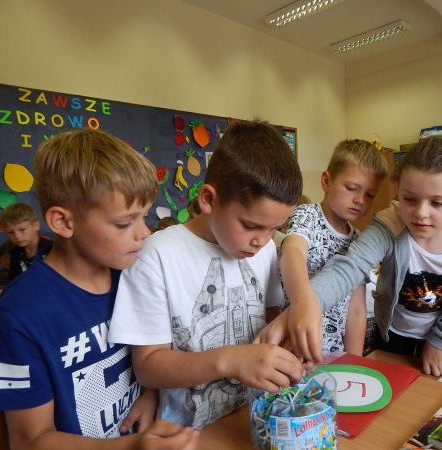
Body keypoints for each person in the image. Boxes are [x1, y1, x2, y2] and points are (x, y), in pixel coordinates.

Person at [0, 128, 199, 450]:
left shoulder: (131, 276)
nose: (144, 232)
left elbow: (149, 356)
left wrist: (149, 394)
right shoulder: (18, 315)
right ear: (63, 222)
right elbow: (30, 440)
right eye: (124, 222)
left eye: (144, 217)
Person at [109, 119, 306, 429]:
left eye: (274, 228)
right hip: (188, 432)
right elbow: (147, 367)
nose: (262, 240)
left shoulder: (265, 249)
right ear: (209, 200)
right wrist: (231, 360)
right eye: (251, 226)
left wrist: (286, 346)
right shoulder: (157, 254)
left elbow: (269, 321)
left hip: (250, 419)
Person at [258, 137, 442, 376]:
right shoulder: (387, 227)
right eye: (409, 199)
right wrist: (296, 311)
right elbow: (347, 270)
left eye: (437, 203)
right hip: (393, 337)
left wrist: (439, 341)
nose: (421, 213)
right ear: (398, 192)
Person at [279, 139, 388, 356]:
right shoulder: (306, 215)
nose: (360, 200)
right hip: (293, 346)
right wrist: (303, 303)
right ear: (327, 181)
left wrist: (355, 360)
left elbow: (356, 311)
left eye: (370, 194)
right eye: (351, 188)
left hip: (333, 354)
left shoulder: (359, 240)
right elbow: (293, 252)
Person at [0, 202, 52, 281]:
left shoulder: (51, 250)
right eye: (10, 232)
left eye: (22, 230)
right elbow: (14, 281)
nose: (17, 236)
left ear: (36, 225)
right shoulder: (15, 252)